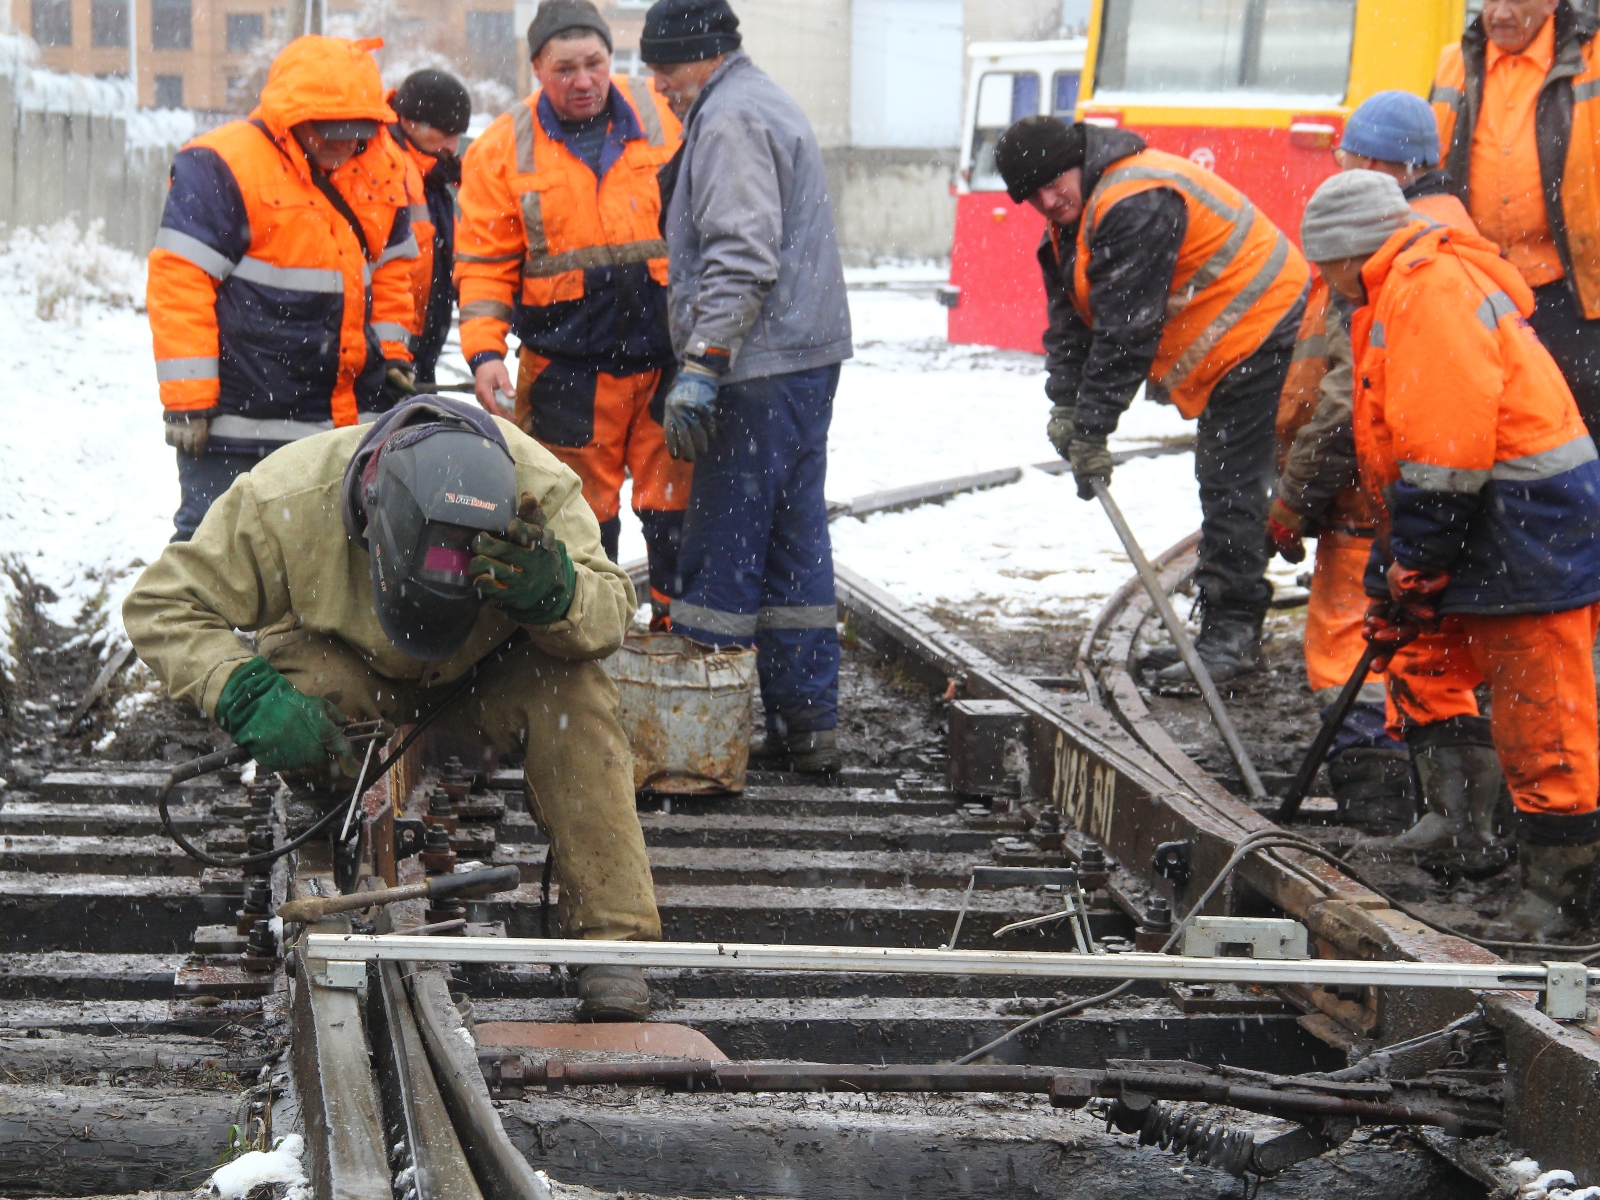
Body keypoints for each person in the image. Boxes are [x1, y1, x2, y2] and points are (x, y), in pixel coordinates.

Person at [121, 394, 661, 1019]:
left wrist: (559, 591)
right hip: (354, 669)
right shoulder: (287, 498)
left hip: (488, 673)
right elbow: (159, 603)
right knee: (300, 684)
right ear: (368, 518)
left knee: (578, 696)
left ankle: (614, 944)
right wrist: (245, 694)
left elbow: (610, 615)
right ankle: (330, 795)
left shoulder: (537, 488)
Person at [1300, 170, 1600, 937]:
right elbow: (1404, 446)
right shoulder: (1390, 291)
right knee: (1422, 653)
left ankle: (1565, 893)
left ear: (1345, 249)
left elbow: (1446, 443)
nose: (1321, 279)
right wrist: (1396, 561)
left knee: (1543, 706)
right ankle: (1464, 825)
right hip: (1476, 511)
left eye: (1322, 260)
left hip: (1524, 519)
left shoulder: (1425, 289)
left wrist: (1422, 551)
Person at [993, 116, 1309, 684]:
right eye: (1031, 195)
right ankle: (1225, 634)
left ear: (1078, 161)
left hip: (1265, 326)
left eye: (1052, 182)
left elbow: (1125, 331)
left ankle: (1231, 642)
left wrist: (1092, 429)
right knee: (1227, 480)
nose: (1047, 199)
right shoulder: (1073, 224)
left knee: (1230, 481)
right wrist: (1065, 406)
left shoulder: (1133, 202)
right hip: (1236, 338)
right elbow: (1072, 327)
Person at [1269, 91, 1489, 846]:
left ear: (1365, 163)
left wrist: (1296, 499)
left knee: (1352, 642)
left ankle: (1382, 802)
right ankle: (1448, 814)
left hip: (1377, 491)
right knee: (1439, 653)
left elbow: (1344, 395)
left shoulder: (1383, 247)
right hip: (1416, 491)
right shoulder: (1455, 231)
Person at [643, 0, 853, 773]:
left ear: (700, 54)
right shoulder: (764, 99)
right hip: (802, 358)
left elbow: (741, 252)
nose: (659, 84)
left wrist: (704, 361)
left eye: (665, 67)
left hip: (755, 365)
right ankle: (809, 728)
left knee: (723, 546)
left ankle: (707, 742)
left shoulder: (728, 118)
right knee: (795, 540)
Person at [456, 0, 687, 626]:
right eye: (565, 69)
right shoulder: (502, 148)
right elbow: (482, 263)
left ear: (612, 60)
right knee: (576, 518)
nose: (582, 80)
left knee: (678, 510)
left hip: (669, 363)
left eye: (594, 63)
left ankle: (678, 632)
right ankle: (590, 636)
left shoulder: (664, 115)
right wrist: (483, 353)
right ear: (537, 68)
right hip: (567, 373)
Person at [148, 35, 420, 541]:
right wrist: (187, 401)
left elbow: (390, 274)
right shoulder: (221, 163)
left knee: (324, 567)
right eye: (331, 132)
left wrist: (394, 354)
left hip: (342, 420)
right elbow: (180, 281)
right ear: (292, 121)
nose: (343, 147)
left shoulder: (380, 170)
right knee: (214, 557)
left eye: (357, 134)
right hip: (238, 419)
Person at [1432, 0, 1600, 433]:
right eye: (1491, 0)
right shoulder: (1454, 61)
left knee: (1577, 418)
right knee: (1483, 418)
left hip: (1571, 287)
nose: (1499, 13)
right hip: (1478, 283)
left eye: (1514, 0)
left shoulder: (1591, 55)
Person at [388, 70, 472, 387]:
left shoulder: (434, 176)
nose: (454, 144)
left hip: (417, 350)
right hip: (391, 352)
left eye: (458, 133)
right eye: (447, 132)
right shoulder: (385, 169)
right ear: (411, 123)